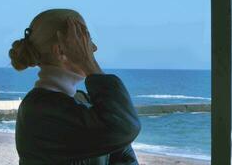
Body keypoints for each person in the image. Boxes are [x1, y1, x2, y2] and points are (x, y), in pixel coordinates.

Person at [8, 9, 142, 165]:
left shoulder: (82, 100)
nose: (94, 48)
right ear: (61, 51)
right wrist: (89, 64)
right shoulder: (38, 110)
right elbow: (124, 127)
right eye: (85, 41)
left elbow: (124, 152)